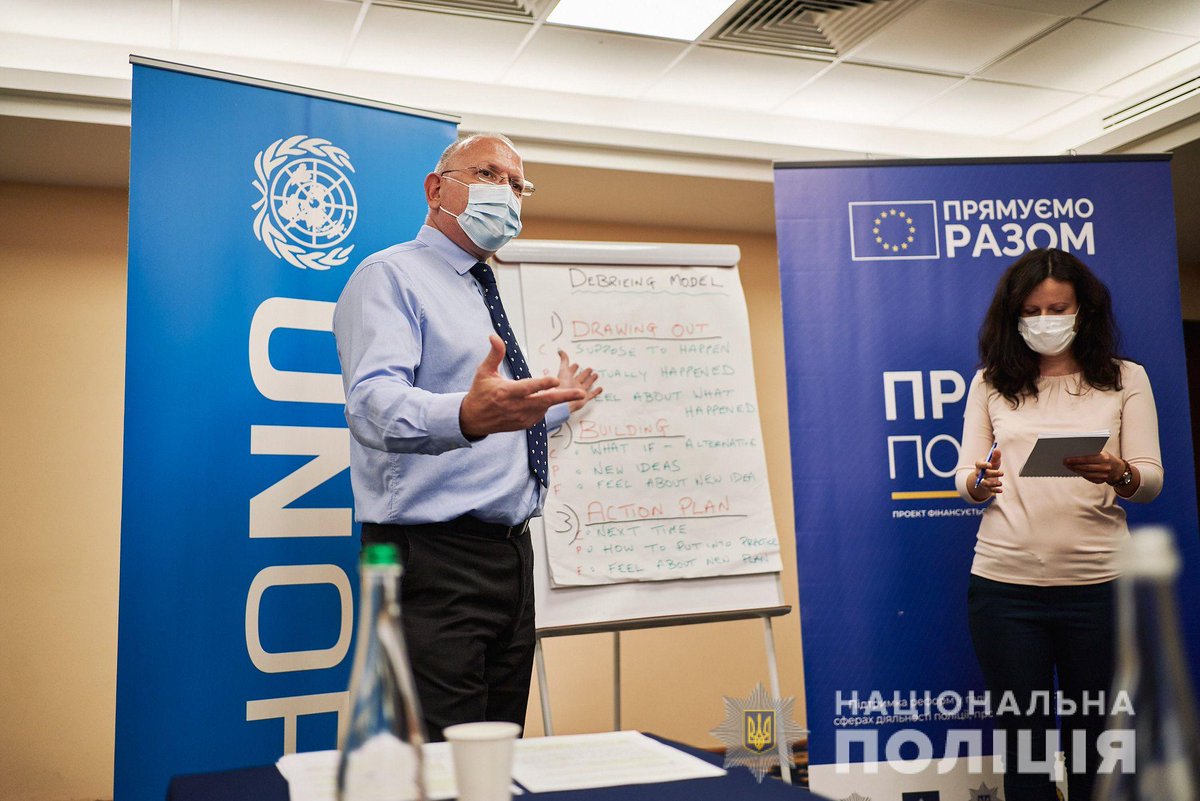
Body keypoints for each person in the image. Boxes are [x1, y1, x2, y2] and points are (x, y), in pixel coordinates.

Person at [332, 133, 602, 741]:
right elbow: (371, 405)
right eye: (488, 174)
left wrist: (553, 406)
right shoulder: (389, 276)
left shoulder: (485, 288)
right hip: (431, 559)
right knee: (442, 756)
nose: (506, 192)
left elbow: (493, 414)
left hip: (511, 558)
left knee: (497, 751)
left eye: (517, 185)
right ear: (436, 189)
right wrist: (464, 415)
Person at [955, 248, 1163, 801]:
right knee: (1025, 752)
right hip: (1005, 590)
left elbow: (1150, 480)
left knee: (1097, 750)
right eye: (1032, 311)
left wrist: (1119, 472)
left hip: (1100, 589)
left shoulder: (1126, 379)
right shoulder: (990, 382)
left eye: (1057, 309)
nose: (1044, 321)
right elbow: (966, 475)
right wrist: (979, 482)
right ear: (1013, 315)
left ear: (1083, 310)